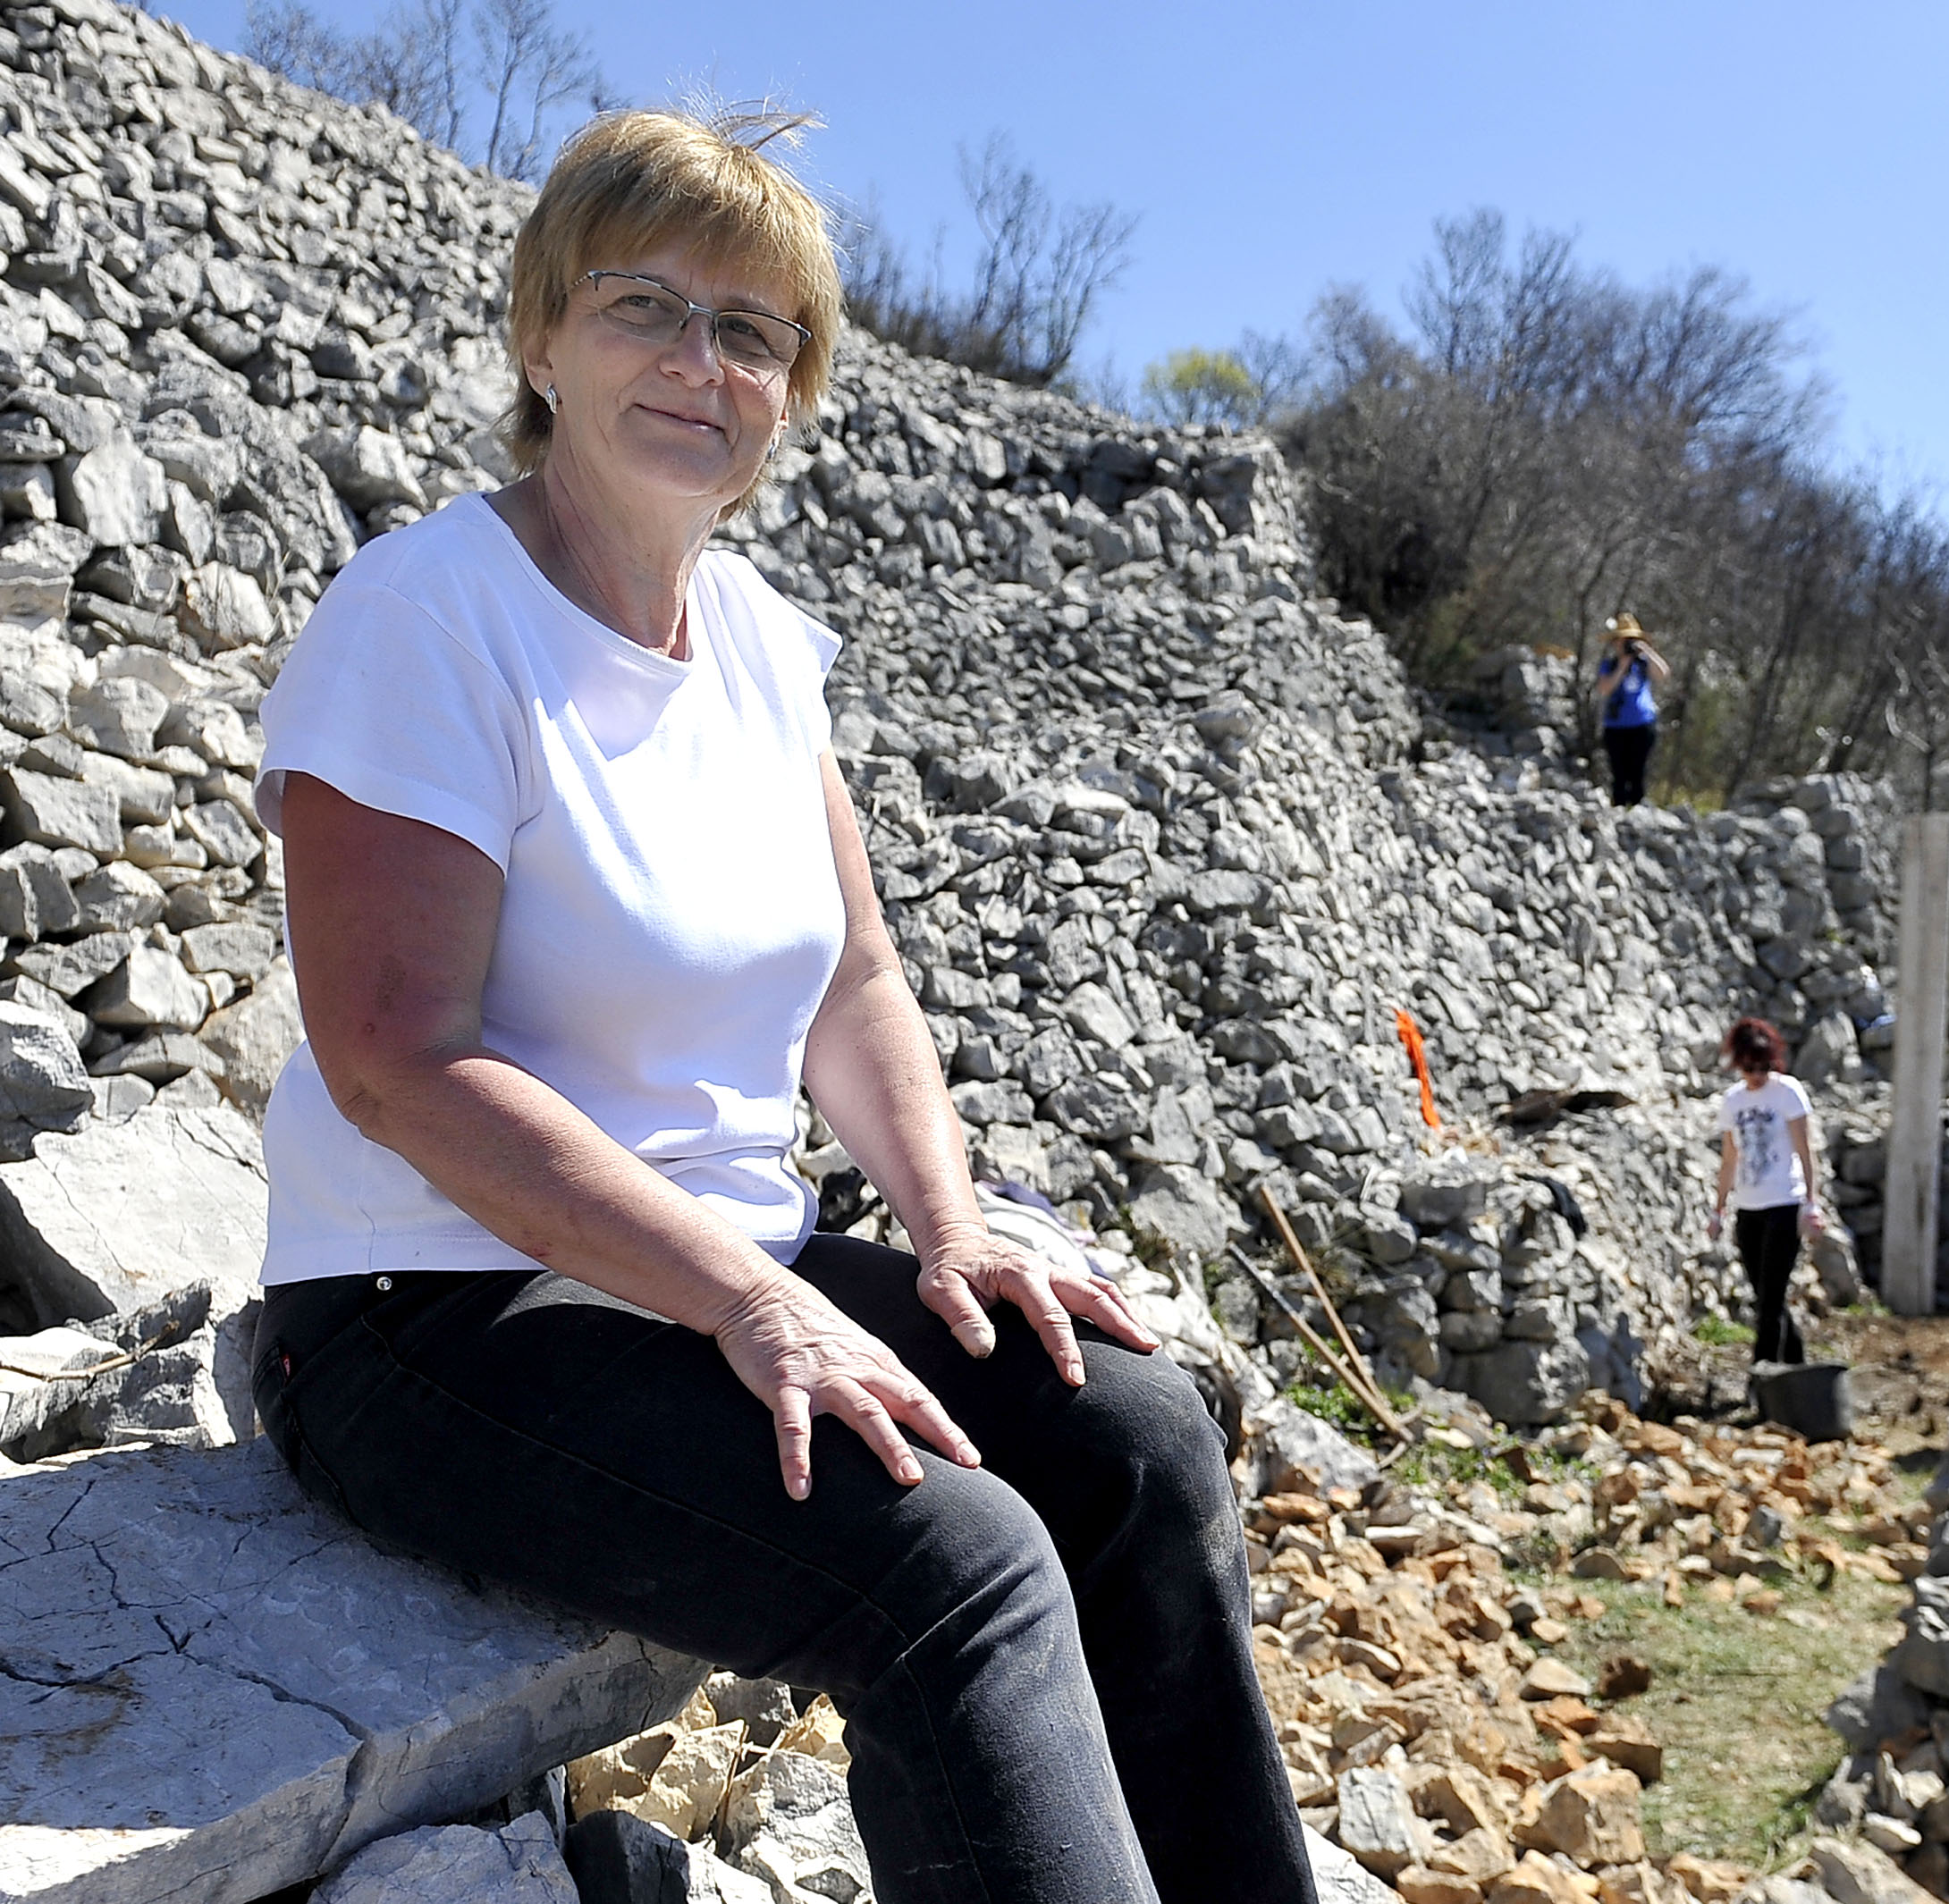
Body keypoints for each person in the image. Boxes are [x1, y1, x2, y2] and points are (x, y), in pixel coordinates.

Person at [244, 108, 1309, 1904]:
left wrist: (951, 1228)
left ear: (794, 392)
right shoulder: (430, 619)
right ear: (539, 337)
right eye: (643, 306)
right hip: (428, 1311)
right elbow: (395, 1062)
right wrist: (755, 1303)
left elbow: (859, 982)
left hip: (720, 1262)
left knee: (1129, 1439)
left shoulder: (754, 644)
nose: (697, 361)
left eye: (752, 332)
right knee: (946, 1562)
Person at [1706, 1016, 1824, 1363]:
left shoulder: (1787, 1092)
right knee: (1765, 1296)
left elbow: (1805, 1149)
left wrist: (1811, 1202)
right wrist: (1718, 1209)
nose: (1757, 1075)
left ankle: (1763, 1375)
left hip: (1783, 1203)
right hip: (1748, 1209)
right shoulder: (1733, 1101)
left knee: (1770, 1302)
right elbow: (1729, 1159)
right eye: (1749, 1067)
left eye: (1763, 1067)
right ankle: (1797, 1369)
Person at [1592, 611, 1668, 806]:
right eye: (1620, 640)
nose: (1624, 644)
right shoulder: (1609, 665)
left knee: (1637, 772)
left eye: (1629, 640)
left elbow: (1663, 674)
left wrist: (1646, 651)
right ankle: (1618, 810)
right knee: (1618, 773)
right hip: (1616, 726)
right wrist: (1621, 668)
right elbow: (1604, 688)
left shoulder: (1643, 664)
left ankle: (1637, 811)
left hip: (1642, 725)